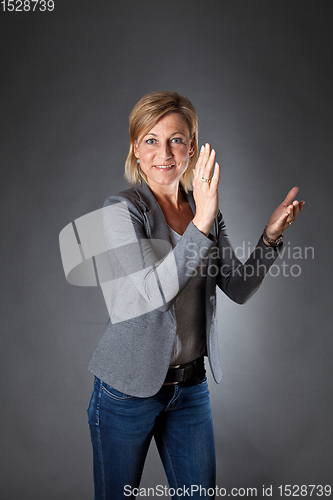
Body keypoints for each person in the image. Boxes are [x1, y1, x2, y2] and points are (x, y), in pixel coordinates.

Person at [86, 91, 304, 499]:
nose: (164, 152)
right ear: (135, 149)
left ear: (192, 146)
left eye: (176, 139)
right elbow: (151, 292)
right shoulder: (120, 210)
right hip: (127, 391)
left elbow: (236, 288)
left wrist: (271, 237)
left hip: (189, 389)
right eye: (151, 139)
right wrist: (201, 223)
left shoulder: (203, 208)